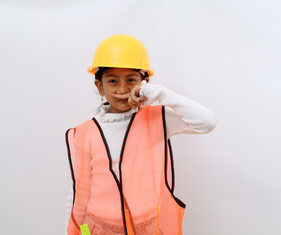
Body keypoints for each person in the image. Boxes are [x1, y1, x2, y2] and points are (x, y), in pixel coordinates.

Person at [65, 34, 218, 235]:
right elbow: (79, 193)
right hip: (98, 227)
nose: (122, 88)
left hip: (146, 226)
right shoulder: (84, 133)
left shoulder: (156, 119)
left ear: (144, 82)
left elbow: (207, 122)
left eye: (131, 80)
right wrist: (81, 232)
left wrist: (160, 93)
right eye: (112, 80)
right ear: (100, 86)